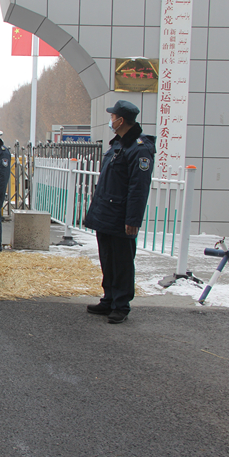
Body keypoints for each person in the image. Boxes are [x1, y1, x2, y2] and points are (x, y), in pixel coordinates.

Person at [84, 100, 155, 324]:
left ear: (121, 120)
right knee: (107, 259)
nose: (111, 120)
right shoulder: (118, 145)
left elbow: (138, 188)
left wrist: (133, 219)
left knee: (122, 262)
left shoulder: (139, 149)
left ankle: (121, 305)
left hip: (121, 216)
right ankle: (109, 298)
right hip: (106, 213)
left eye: (113, 117)